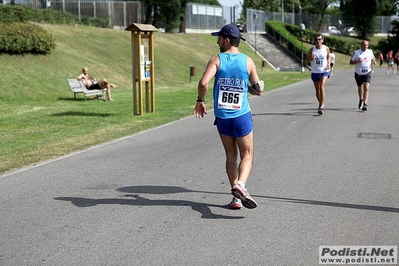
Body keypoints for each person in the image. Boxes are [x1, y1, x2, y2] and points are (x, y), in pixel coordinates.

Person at [193, 24, 262, 210]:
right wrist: (244, 87)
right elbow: (258, 90)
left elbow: (203, 82)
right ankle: (241, 185)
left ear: (227, 40)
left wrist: (200, 100)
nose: (217, 41)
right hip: (241, 115)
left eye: (219, 38)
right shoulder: (248, 61)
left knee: (231, 155)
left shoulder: (216, 60)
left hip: (223, 116)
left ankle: (236, 198)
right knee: (247, 154)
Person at [305, 33, 330, 115]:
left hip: (324, 71)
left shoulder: (326, 48)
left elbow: (328, 57)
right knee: (317, 90)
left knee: (322, 87)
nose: (318, 41)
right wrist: (311, 58)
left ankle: (321, 106)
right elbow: (306, 61)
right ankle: (321, 102)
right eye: (316, 39)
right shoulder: (312, 50)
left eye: (319, 39)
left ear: (322, 40)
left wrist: (328, 64)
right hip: (315, 72)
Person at [349, 40, 376, 111]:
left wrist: (374, 61)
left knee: (366, 87)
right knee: (360, 88)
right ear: (361, 45)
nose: (365, 46)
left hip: (367, 72)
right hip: (358, 73)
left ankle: (365, 104)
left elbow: (373, 58)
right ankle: (361, 99)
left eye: (367, 45)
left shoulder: (370, 52)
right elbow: (351, 62)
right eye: (364, 45)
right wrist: (357, 61)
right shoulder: (356, 52)